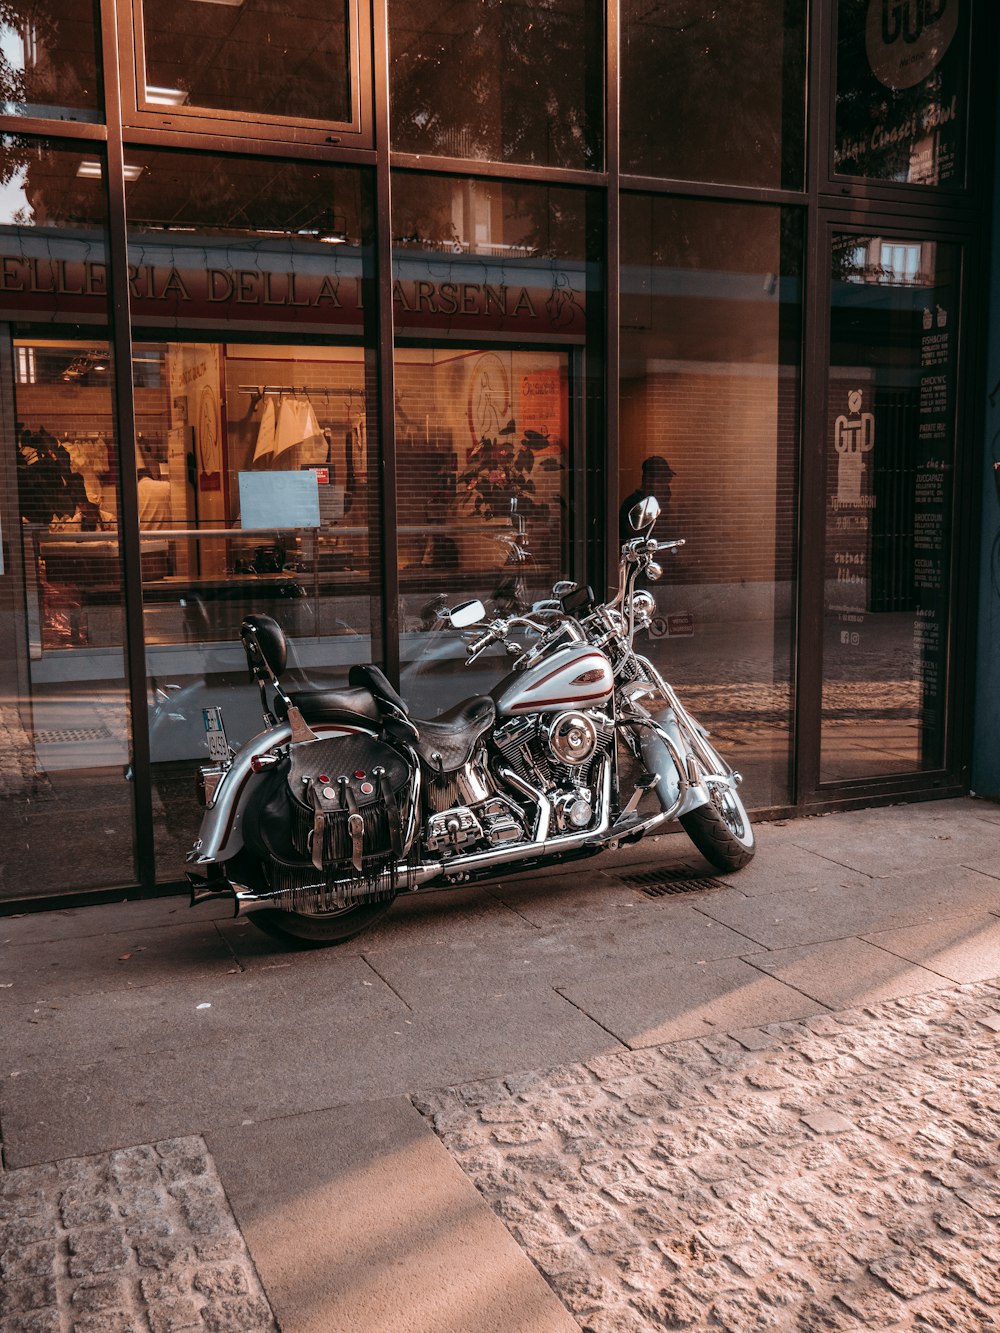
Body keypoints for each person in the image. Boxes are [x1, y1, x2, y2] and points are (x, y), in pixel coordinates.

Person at [619, 454, 675, 546]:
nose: (666, 486)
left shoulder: (662, 503)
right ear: (648, 480)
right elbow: (635, 535)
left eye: (667, 480)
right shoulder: (634, 504)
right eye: (661, 481)